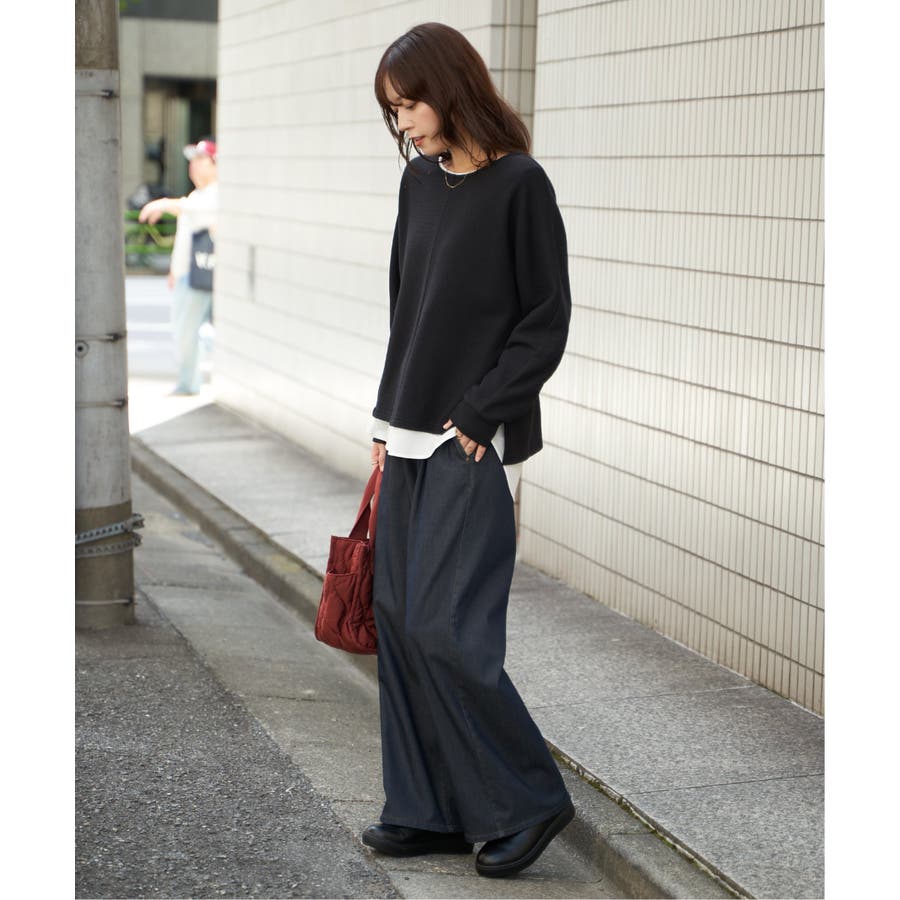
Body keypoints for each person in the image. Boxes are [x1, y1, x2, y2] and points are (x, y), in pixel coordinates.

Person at [362, 22, 575, 879]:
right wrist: (385, 425)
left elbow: (545, 319)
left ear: (450, 90)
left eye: (409, 104)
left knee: (448, 628)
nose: (403, 122)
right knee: (399, 620)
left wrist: (482, 415)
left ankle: (529, 800)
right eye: (393, 111)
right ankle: (430, 810)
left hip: (468, 443)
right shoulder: (418, 183)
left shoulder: (521, 185)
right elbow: (405, 307)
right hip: (407, 433)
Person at [138, 138, 218, 396]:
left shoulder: (216, 194)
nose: (193, 165)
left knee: (192, 332)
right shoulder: (197, 195)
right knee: (186, 331)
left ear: (216, 165)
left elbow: (187, 208)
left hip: (201, 276)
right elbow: (184, 237)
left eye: (201, 160)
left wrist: (162, 203)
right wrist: (174, 271)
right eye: (192, 160)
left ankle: (190, 383)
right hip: (188, 275)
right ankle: (189, 382)